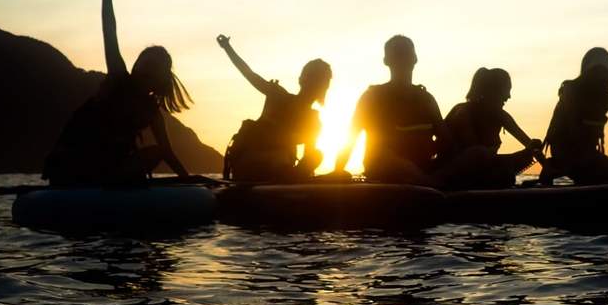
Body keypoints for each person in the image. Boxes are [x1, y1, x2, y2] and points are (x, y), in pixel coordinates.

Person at [42, 0, 195, 186]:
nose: (144, 68)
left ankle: (120, 182)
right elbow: (110, 31)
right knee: (146, 155)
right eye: (143, 62)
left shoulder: (151, 111)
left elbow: (167, 153)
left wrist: (191, 184)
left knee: (157, 151)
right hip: (74, 164)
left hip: (108, 169)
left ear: (161, 77)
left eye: (152, 66)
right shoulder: (118, 79)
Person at [332, 35, 448, 185]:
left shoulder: (427, 100)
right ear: (387, 61)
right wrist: (337, 171)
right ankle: (428, 182)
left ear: (415, 59)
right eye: (398, 54)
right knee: (384, 156)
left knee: (478, 154)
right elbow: (351, 138)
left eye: (406, 53)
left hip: (425, 168)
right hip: (384, 170)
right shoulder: (371, 98)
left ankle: (430, 182)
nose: (403, 59)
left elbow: (447, 141)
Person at [217, 34, 331, 182]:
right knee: (284, 158)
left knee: (316, 155)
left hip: (282, 171)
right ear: (302, 79)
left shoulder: (314, 121)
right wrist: (227, 47)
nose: (314, 85)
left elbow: (309, 158)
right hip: (250, 165)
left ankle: (288, 177)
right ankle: (285, 175)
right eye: (313, 78)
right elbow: (249, 74)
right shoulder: (277, 94)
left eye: (319, 81)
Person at [539, 47, 608, 185]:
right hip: (565, 151)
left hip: (587, 153)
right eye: (597, 70)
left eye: (602, 71)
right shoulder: (571, 89)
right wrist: (584, 158)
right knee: (605, 178)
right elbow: (571, 125)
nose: (600, 74)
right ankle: (556, 165)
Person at [441, 67, 544, 189]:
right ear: (491, 91)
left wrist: (546, 165)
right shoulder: (463, 112)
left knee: (529, 152)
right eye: (505, 91)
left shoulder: (501, 115)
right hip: (459, 174)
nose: (508, 96)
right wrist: (515, 158)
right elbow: (474, 157)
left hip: (487, 171)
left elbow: (529, 144)